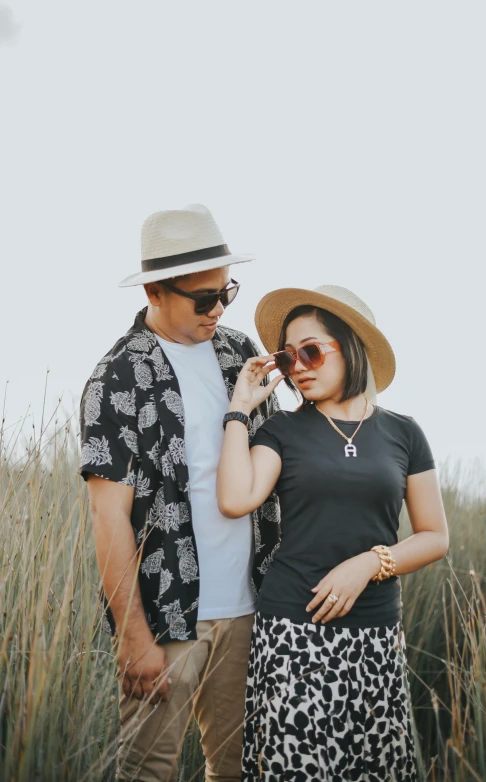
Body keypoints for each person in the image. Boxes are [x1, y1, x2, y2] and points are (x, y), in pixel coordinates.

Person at [79, 204, 280, 781]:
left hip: (252, 609)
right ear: (154, 291)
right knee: (149, 772)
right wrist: (133, 639)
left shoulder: (238, 353)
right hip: (168, 620)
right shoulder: (116, 376)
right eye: (203, 299)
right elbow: (108, 515)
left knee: (242, 770)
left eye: (228, 293)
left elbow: (279, 464)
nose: (219, 310)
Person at [217, 285, 449, 782]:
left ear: (351, 347)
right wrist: (240, 408)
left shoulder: (405, 434)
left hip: (376, 635)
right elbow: (236, 499)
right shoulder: (282, 430)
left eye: (311, 350)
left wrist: (368, 564)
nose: (298, 366)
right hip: (292, 635)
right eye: (287, 355)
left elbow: (434, 536)